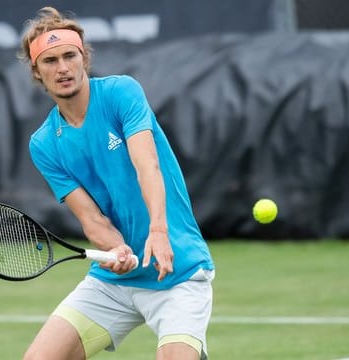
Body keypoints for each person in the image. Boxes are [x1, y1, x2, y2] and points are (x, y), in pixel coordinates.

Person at [18, 6, 215, 360]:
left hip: (179, 270)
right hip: (114, 284)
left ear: (84, 58)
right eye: (50, 61)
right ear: (36, 71)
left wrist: (158, 231)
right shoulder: (44, 143)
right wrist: (117, 249)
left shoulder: (122, 93)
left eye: (69, 56)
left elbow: (147, 165)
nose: (62, 68)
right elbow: (91, 218)